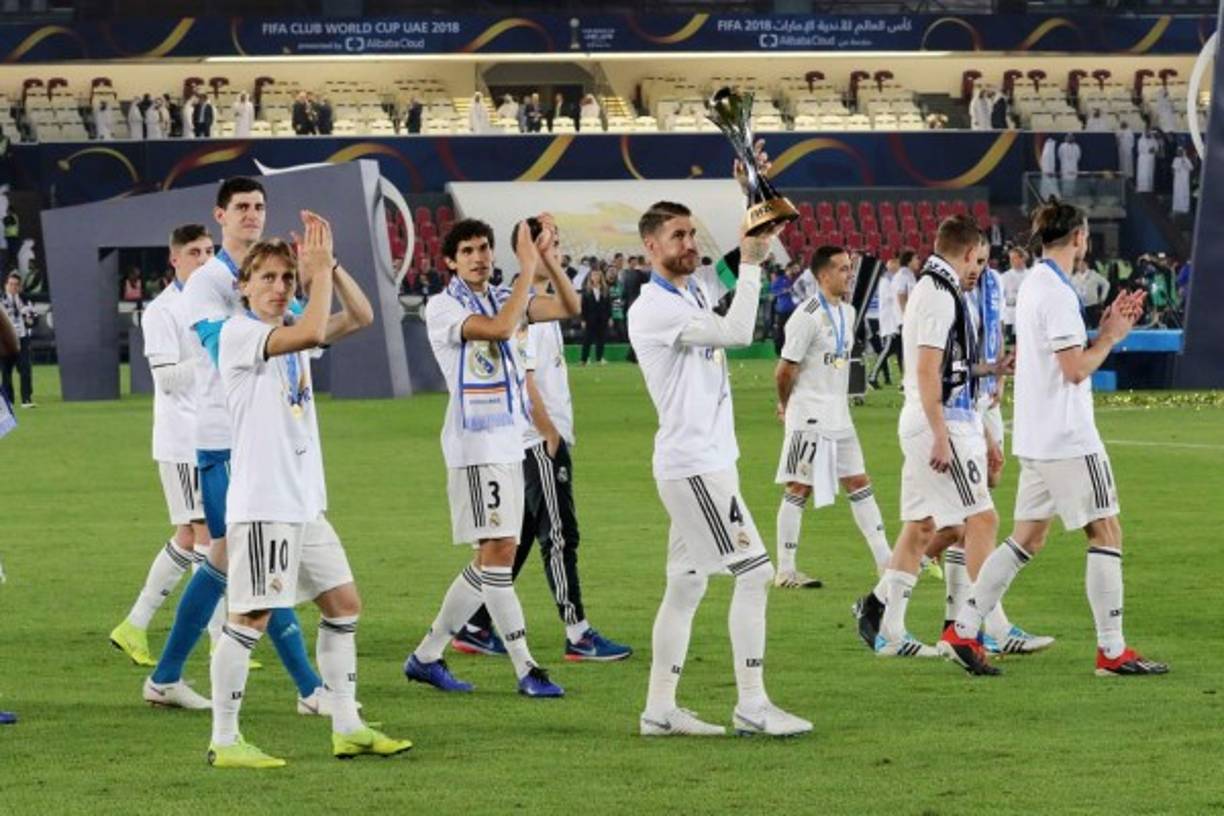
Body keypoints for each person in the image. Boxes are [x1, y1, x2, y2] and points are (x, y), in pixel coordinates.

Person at [209, 218, 411, 768]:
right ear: (245, 286)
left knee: (344, 606)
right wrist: (315, 274)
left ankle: (346, 726)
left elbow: (363, 316)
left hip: (303, 503)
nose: (279, 287)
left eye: (288, 278)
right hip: (264, 503)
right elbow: (314, 333)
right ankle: (225, 741)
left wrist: (331, 266)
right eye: (268, 277)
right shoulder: (240, 334)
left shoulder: (296, 322)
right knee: (250, 618)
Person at [948, 200, 1168, 678]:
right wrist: (1110, 337)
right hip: (1068, 438)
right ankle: (1112, 651)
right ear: (1080, 238)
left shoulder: (1033, 286)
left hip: (1035, 435)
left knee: (1028, 537)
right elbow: (1074, 370)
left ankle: (964, 628)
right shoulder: (1058, 294)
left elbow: (1051, 359)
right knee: (1106, 531)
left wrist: (1105, 329)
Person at [142, 179, 331, 714]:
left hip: (260, 436)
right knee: (255, 560)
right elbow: (245, 344)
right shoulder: (208, 282)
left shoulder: (267, 277)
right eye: (242, 208)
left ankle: (165, 676)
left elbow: (303, 334)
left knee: (226, 561)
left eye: (259, 207)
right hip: (224, 438)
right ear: (220, 214)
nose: (252, 215)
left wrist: (321, 271)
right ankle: (310, 688)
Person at [629, 200, 809, 737]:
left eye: (691, 234)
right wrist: (753, 260)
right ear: (652, 246)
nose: (690, 243)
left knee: (685, 587)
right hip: (694, 467)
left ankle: (659, 710)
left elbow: (739, 259)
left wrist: (754, 211)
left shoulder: (696, 288)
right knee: (754, 572)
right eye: (677, 236)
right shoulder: (654, 307)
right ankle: (752, 706)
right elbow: (737, 332)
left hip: (707, 463)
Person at [402, 216, 578, 698]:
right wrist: (525, 269)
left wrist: (544, 263)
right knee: (498, 556)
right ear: (450, 262)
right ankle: (526, 668)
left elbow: (568, 304)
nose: (479, 257)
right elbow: (501, 330)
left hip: (507, 440)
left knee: (491, 558)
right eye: (469, 251)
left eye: (484, 248)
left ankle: (426, 656)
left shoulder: (505, 297)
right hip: (475, 445)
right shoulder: (442, 308)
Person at [454, 219, 631, 661]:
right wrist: (549, 433)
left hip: (538, 436)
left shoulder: (535, 300)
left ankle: (475, 623)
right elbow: (525, 377)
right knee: (559, 534)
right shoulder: (512, 306)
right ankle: (578, 633)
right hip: (535, 439)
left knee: (521, 538)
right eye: (546, 233)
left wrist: (547, 259)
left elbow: (571, 305)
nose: (556, 238)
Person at [852, 216, 1012, 664]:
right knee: (980, 521)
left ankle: (885, 621)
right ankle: (974, 629)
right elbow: (925, 370)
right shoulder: (939, 295)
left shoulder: (935, 289)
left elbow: (946, 368)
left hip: (926, 418)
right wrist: (940, 435)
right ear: (963, 254)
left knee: (924, 525)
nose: (976, 270)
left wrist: (990, 370)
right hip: (934, 422)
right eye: (975, 260)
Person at [109, 225, 216, 667]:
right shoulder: (162, 312)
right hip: (182, 439)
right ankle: (220, 640)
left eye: (210, 251)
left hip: (211, 434)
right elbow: (167, 379)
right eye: (195, 252)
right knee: (209, 537)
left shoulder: (216, 304)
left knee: (191, 537)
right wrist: (212, 352)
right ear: (175, 259)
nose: (205, 259)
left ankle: (134, 624)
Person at [774, 246, 892, 588]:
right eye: (842, 269)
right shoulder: (806, 316)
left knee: (859, 481)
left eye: (850, 268)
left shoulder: (848, 311)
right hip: (809, 414)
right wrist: (786, 405)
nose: (849, 274)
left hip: (839, 416)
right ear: (823, 275)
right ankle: (785, 569)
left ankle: (886, 561)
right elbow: (784, 371)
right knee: (799, 486)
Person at [1, 273, 35, 408]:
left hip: (22, 338)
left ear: (20, 287)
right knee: (6, 371)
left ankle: (26, 399)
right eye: (11, 284)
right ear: (5, 285)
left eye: (16, 285)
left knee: (25, 369)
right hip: (6, 340)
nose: (13, 287)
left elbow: (34, 319)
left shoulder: (25, 300)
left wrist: (29, 319)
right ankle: (8, 400)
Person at [869, 257, 901, 388]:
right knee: (887, 350)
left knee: (901, 352)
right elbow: (893, 299)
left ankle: (905, 381)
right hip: (890, 323)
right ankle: (872, 376)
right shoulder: (886, 282)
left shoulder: (890, 281)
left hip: (895, 322)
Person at [580, 267, 611, 365]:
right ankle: (584, 360)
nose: (596, 277)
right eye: (594, 275)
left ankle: (599, 358)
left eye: (598, 275)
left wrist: (609, 317)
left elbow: (608, 305)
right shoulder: (586, 290)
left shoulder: (605, 290)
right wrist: (583, 320)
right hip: (590, 318)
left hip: (602, 318)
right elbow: (583, 306)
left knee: (601, 339)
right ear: (590, 277)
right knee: (587, 340)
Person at [1071, 255, 1110, 328]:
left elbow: (1106, 284)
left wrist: (1102, 298)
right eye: (1079, 264)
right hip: (1080, 306)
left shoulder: (1093, 275)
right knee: (1081, 327)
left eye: (1083, 263)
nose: (1081, 266)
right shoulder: (1073, 278)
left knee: (1094, 326)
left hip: (1092, 305)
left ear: (1087, 264)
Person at [1000, 248, 1027, 343]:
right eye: (1010, 258)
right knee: (1009, 347)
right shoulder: (1004, 277)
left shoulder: (1030, 275)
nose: (1011, 261)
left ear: (1022, 258)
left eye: (1014, 258)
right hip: (1010, 318)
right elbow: (1000, 298)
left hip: (1025, 318)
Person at [768, 264, 795, 355]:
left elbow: (774, 292)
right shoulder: (785, 280)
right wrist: (785, 291)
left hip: (785, 309)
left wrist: (786, 291)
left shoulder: (781, 281)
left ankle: (781, 350)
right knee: (786, 330)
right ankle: (782, 350)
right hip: (787, 309)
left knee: (783, 330)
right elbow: (776, 293)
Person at [1171, 147, 1193, 216]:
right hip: (1177, 180)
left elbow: (1191, 168)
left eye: (1180, 151)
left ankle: (1184, 209)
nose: (1179, 152)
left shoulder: (1187, 159)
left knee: (1184, 194)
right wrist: (1175, 169)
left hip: (1184, 181)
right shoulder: (1175, 159)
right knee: (1177, 193)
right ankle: (1176, 208)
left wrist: (1184, 162)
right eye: (1178, 151)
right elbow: (1173, 169)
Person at [1058, 133, 1081, 199]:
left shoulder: (1077, 146)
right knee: (1065, 183)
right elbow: (1059, 156)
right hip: (1065, 168)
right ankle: (1065, 196)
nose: (1070, 138)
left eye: (1071, 137)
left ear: (1073, 138)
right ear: (1066, 138)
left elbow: (1078, 157)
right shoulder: (1062, 146)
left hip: (1073, 168)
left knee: (1072, 183)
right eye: (1068, 137)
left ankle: (1072, 197)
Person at [1040, 135, 1059, 201]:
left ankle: (1051, 198)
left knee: (1049, 187)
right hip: (1048, 172)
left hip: (1050, 171)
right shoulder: (1048, 150)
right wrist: (1049, 171)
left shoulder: (1048, 150)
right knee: (1050, 187)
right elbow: (1046, 161)